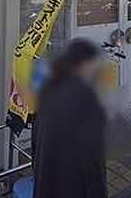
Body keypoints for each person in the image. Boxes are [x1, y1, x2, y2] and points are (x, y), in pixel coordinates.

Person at [33, 38, 107, 198]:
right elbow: (92, 160)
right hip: (72, 186)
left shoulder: (47, 90)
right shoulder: (86, 99)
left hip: (45, 182)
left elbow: (35, 141)